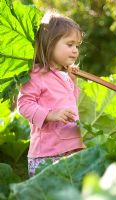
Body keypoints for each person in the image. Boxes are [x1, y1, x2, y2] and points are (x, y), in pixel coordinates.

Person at [17, 10, 85, 177]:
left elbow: (70, 103)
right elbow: (24, 105)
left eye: (77, 46)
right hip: (47, 154)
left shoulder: (64, 75)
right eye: (70, 45)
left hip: (71, 147)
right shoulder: (36, 74)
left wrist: (72, 81)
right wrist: (50, 115)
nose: (75, 50)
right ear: (50, 43)